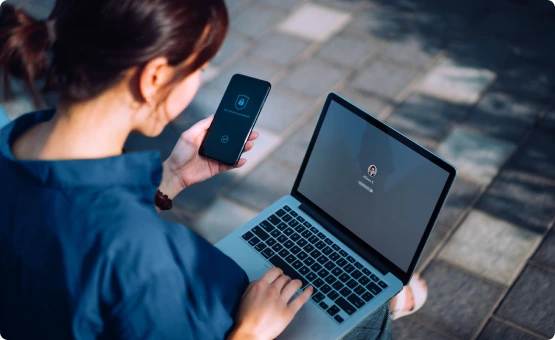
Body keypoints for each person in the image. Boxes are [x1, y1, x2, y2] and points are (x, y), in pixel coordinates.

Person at [0, 1, 427, 339]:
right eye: (199, 68)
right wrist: (251, 332)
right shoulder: (140, 255)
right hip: (234, 318)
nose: (200, 80)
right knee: (367, 320)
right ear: (152, 79)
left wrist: (171, 179)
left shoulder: (14, 142)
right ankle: (384, 308)